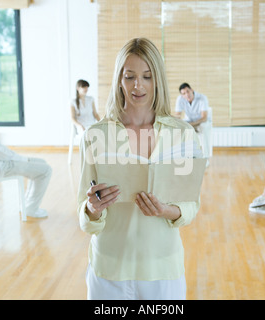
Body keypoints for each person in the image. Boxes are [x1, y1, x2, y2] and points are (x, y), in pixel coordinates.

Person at [77, 38, 203, 300]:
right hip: (109, 269)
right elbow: (84, 216)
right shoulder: (95, 135)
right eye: (129, 76)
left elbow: (191, 205)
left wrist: (167, 210)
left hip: (162, 271)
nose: (138, 85)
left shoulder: (183, 134)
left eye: (146, 76)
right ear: (119, 80)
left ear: (157, 79)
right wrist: (92, 209)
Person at [0, 90, 52, 218]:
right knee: (45, 170)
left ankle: (27, 205)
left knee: (41, 163)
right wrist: (20, 159)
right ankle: (30, 208)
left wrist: (21, 158)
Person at [175, 83, 211, 157]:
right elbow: (177, 116)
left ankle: (205, 157)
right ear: (182, 95)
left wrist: (192, 124)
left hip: (201, 122)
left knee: (204, 128)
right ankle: (186, 155)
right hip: (189, 121)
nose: (187, 95)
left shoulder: (202, 98)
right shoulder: (180, 99)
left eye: (188, 91)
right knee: (178, 129)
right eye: (184, 93)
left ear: (192, 90)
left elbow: (204, 117)